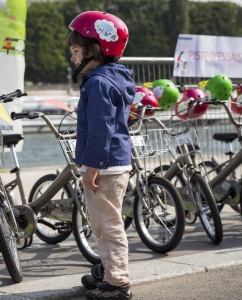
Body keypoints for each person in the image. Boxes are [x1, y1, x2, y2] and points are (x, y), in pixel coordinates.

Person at [68, 11, 135, 300]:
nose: (72, 58)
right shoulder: (115, 78)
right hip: (115, 163)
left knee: (106, 225)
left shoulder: (97, 84)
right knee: (107, 221)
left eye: (75, 51)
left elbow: (101, 129)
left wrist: (91, 167)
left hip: (104, 167)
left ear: (95, 49)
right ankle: (106, 271)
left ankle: (118, 283)